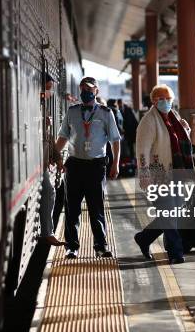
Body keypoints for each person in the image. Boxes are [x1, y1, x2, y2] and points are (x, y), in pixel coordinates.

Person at [55, 77, 122, 259]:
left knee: (96, 208)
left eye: (90, 89)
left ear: (96, 92)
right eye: (83, 88)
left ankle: (100, 246)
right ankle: (71, 247)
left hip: (96, 166)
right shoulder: (72, 112)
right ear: (80, 90)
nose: (86, 92)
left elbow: (115, 140)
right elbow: (63, 136)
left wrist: (115, 163)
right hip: (75, 165)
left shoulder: (106, 113)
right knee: (72, 208)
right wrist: (54, 155)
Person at [133, 84, 195, 264]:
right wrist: (144, 175)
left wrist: (187, 130)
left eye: (169, 99)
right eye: (162, 99)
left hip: (176, 174)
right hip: (158, 175)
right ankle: (176, 253)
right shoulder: (148, 121)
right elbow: (142, 151)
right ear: (154, 100)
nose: (166, 102)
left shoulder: (174, 117)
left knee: (171, 214)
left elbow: (177, 143)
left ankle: (144, 238)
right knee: (168, 215)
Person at [39, 73, 65, 246]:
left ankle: (48, 232)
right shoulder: (32, 107)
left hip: (43, 161)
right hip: (36, 164)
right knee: (49, 191)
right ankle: (48, 232)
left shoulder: (43, 108)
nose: (49, 92)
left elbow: (49, 137)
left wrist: (57, 157)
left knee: (50, 192)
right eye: (47, 88)